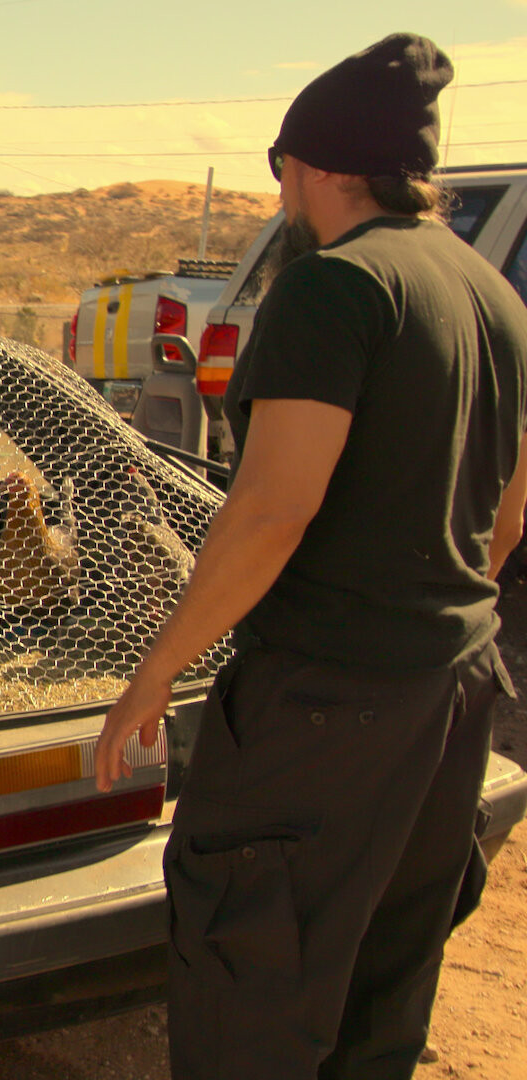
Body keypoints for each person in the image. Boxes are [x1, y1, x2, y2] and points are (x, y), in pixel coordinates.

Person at [94, 33, 527, 1080]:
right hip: (455, 692)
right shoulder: (492, 295)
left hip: (329, 704)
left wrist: (156, 671)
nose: (282, 186)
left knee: (258, 983)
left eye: (281, 163)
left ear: (317, 165)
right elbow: (510, 506)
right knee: (385, 985)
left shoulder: (334, 289)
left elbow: (273, 512)